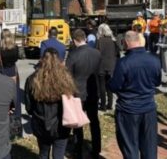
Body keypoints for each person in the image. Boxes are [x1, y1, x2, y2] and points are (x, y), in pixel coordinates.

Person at [109, 31, 161, 159]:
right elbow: (157, 81)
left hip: (128, 109)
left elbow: (114, 86)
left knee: (130, 147)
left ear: (126, 42)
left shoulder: (123, 62)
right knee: (149, 147)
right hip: (148, 108)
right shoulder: (154, 59)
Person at [24, 47, 77, 159]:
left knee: (43, 153)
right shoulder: (66, 79)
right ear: (59, 60)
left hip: (41, 124)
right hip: (62, 124)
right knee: (58, 154)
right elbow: (73, 101)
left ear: (42, 60)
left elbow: (29, 107)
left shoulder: (32, 79)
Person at [66, 29, 101, 159]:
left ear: (74, 41)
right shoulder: (96, 53)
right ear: (85, 38)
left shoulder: (73, 55)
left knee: (77, 124)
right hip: (92, 90)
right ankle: (96, 149)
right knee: (94, 121)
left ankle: (78, 150)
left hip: (78, 93)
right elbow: (99, 72)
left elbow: (67, 76)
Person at [0, 29, 22, 136]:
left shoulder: (0, 50)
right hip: (13, 72)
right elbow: (17, 59)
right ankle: (17, 126)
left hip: (3, 73)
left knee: (4, 100)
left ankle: (5, 126)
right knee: (15, 98)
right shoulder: (15, 48)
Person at [97, 24, 120, 111]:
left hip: (101, 65)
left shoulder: (99, 41)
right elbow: (117, 53)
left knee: (102, 85)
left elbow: (97, 53)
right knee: (109, 85)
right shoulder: (113, 40)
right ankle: (110, 104)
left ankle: (103, 105)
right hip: (111, 65)